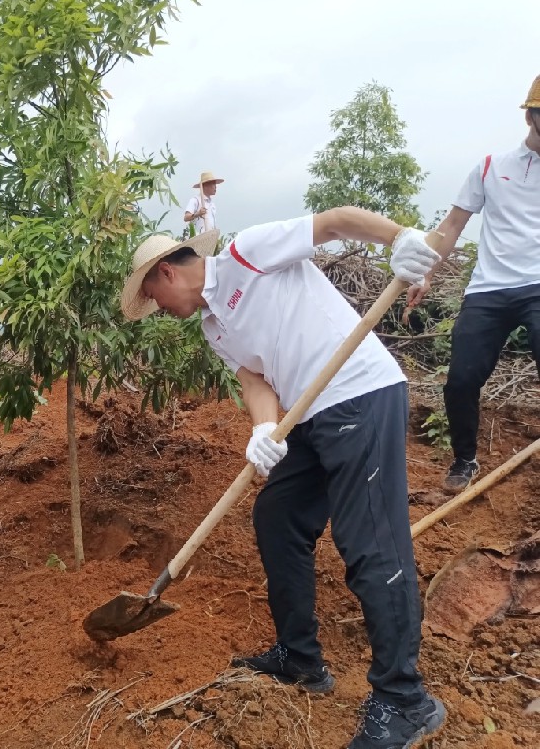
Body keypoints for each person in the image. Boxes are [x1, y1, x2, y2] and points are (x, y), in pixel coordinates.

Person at [121, 208, 445, 748]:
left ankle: (405, 699)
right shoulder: (211, 324)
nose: (157, 308)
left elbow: (335, 222)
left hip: (359, 394)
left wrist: (400, 238)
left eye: (152, 297)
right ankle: (300, 658)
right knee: (277, 516)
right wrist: (265, 428)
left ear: (166, 274)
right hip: (309, 414)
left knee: (368, 542)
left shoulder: (248, 254)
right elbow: (256, 379)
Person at [407, 74, 540, 493]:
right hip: (489, 289)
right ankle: (464, 460)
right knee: (461, 379)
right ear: (532, 117)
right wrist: (425, 273)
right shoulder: (490, 167)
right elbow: (451, 225)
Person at [183, 171, 224, 235]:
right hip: (198, 237)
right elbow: (186, 217)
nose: (216, 187)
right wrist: (198, 214)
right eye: (213, 184)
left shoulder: (212, 204)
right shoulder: (195, 200)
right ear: (205, 186)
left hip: (210, 236)